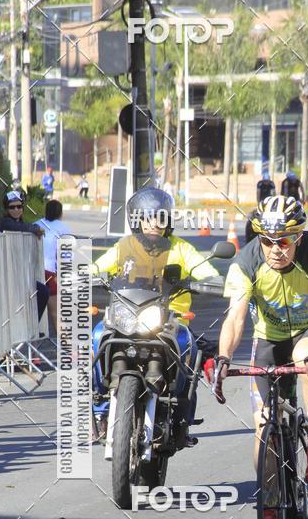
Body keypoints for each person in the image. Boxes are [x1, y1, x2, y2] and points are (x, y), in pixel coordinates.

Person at [207, 194, 308, 519]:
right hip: (268, 337)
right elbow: (235, 318)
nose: (275, 249)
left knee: (304, 358)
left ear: (298, 237)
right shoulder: (246, 262)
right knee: (263, 426)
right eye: (267, 241)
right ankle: (268, 513)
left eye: (283, 241)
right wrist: (223, 358)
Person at [91, 186, 221, 449]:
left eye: (159, 218)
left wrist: (210, 281)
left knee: (189, 348)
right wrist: (84, 275)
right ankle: (100, 409)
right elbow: (97, 267)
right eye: (147, 218)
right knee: (97, 336)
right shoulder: (123, 247)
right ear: (137, 220)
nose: (153, 224)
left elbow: (209, 273)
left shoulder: (181, 248)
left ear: (168, 221)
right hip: (126, 316)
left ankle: (182, 419)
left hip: (171, 320)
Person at [0, 190, 49, 322]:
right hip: (6, 274)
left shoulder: (22, 223)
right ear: (6, 209)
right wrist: (35, 229)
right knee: (41, 292)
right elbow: (17, 227)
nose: (16, 210)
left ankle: (33, 326)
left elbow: (26, 226)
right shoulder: (5, 222)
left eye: (19, 206)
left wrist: (35, 227)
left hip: (21, 272)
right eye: (12, 207)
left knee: (43, 291)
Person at [35, 200, 72, 337]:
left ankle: (33, 348)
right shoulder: (64, 228)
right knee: (56, 313)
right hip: (51, 273)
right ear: (60, 213)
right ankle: (65, 345)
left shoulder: (36, 224)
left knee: (34, 314)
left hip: (33, 272)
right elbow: (67, 255)